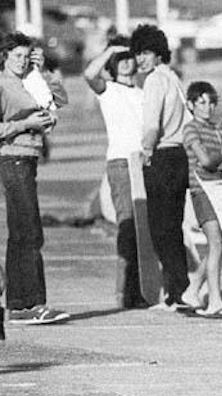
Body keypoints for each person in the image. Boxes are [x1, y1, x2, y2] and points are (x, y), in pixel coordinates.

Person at [0, 32, 70, 324]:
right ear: (4, 56)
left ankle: (20, 303)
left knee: (24, 230)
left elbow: (60, 99)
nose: (21, 61)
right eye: (16, 55)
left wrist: (43, 71)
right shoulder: (3, 83)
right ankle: (28, 302)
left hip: (28, 157)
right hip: (12, 156)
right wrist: (24, 123)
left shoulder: (29, 79)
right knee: (27, 230)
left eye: (26, 55)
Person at [84, 35, 147, 309]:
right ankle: (125, 292)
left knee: (146, 229)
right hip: (121, 163)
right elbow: (88, 73)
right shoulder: (108, 90)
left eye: (128, 57)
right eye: (118, 59)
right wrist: (110, 48)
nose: (124, 63)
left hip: (145, 163)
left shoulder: (145, 92)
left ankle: (143, 288)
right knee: (127, 226)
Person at [131, 25, 190, 310]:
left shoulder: (155, 80)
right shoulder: (174, 78)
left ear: (157, 53)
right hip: (180, 157)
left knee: (160, 229)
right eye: (137, 53)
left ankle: (177, 293)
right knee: (174, 227)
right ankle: (178, 291)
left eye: (145, 52)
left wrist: (145, 151)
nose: (140, 59)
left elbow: (152, 124)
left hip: (162, 156)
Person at [179, 81, 222, 319]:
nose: (208, 107)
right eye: (201, 102)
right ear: (191, 105)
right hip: (201, 191)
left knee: (221, 242)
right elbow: (203, 161)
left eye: (211, 102)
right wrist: (220, 161)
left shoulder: (218, 129)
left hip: (219, 190)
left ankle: (193, 287)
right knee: (216, 242)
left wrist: (214, 161)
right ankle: (215, 300)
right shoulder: (191, 129)